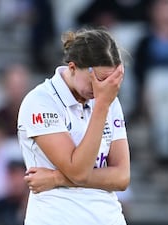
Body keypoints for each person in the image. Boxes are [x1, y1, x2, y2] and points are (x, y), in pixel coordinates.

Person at [17, 28, 130, 225]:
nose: (102, 89)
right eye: (98, 80)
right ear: (72, 67)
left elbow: (121, 177)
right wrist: (102, 107)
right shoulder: (40, 101)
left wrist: (56, 178)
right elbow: (78, 171)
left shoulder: (108, 100)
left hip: (108, 217)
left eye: (109, 81)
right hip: (58, 217)